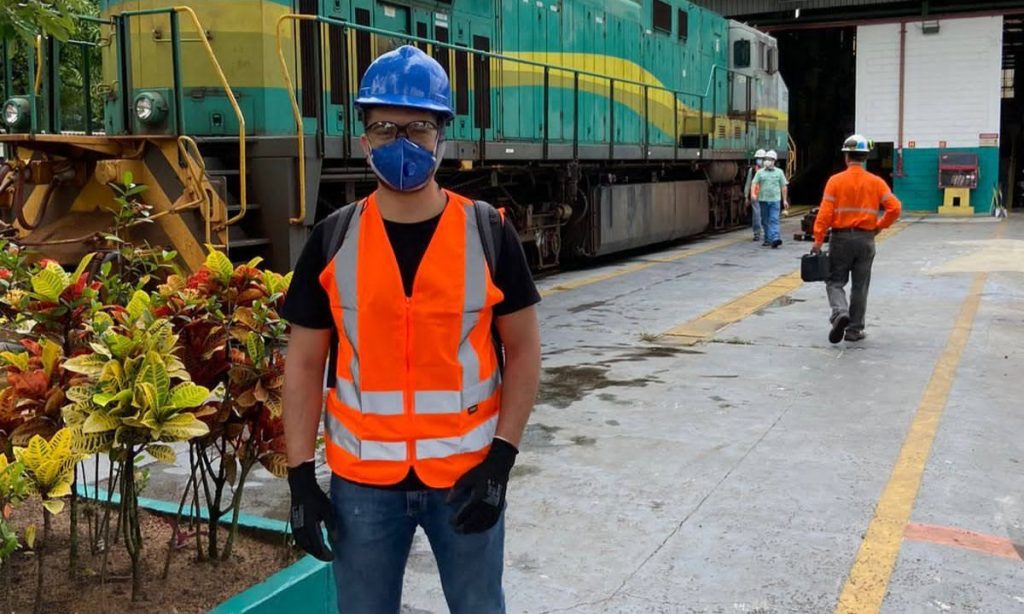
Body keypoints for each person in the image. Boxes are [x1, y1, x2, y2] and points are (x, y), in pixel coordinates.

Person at [281, 45, 542, 614]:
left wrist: (501, 460)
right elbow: (302, 364)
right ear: (362, 139)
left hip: (467, 478)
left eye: (419, 126)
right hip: (363, 487)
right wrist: (300, 478)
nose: (402, 142)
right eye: (384, 127)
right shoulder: (332, 240)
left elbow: (523, 353)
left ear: (443, 135)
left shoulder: (488, 233)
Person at [811, 134, 901, 344]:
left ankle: (840, 313)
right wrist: (878, 227)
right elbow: (895, 208)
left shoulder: (835, 181)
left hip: (841, 239)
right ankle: (854, 330)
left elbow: (824, 214)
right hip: (866, 240)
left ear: (846, 157)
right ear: (865, 157)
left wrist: (817, 240)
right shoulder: (876, 182)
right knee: (860, 286)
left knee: (835, 282)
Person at [751, 149, 790, 248]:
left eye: (770, 159)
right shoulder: (760, 172)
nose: (767, 161)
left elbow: (784, 186)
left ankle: (775, 238)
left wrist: (784, 200)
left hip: (775, 200)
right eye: (766, 159)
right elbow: (754, 183)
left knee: (774, 219)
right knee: (765, 220)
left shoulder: (779, 172)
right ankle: (767, 239)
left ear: (774, 161)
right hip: (763, 200)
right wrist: (753, 194)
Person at [744, 149, 766, 242]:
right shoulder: (752, 170)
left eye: (761, 158)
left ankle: (765, 232)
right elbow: (748, 183)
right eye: (758, 158)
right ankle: (757, 233)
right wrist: (746, 196)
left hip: (766, 196)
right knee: (757, 215)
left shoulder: (768, 170)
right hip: (755, 196)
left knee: (765, 215)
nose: (759, 160)